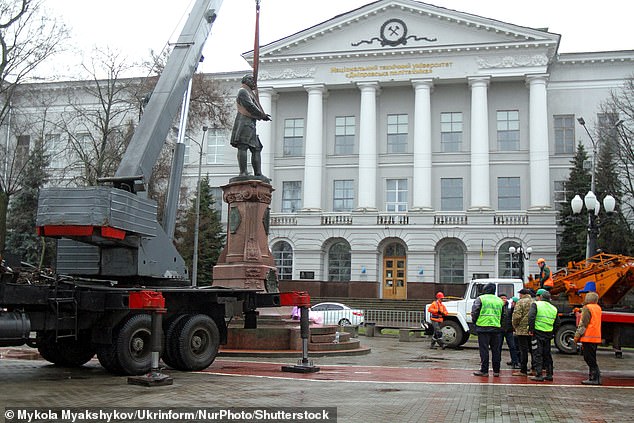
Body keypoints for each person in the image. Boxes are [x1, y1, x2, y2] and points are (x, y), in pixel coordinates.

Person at [230, 74, 271, 178]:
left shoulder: (250, 93)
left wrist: (261, 114)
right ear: (246, 81)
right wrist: (261, 115)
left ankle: (258, 173)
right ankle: (243, 172)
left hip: (251, 123)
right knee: (243, 146)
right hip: (244, 122)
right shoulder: (243, 91)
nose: (254, 83)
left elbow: (254, 105)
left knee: (257, 148)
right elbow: (249, 106)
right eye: (252, 80)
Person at [471, 283, 504, 377]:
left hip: (483, 327)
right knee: (496, 350)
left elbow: (475, 311)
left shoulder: (480, 299)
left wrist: (475, 322)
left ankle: (484, 370)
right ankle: (496, 371)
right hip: (496, 327)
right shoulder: (499, 301)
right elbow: (503, 315)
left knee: (484, 350)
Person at [528, 289, 560, 381]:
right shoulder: (554, 308)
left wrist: (531, 329)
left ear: (541, 297)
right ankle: (549, 374)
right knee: (547, 354)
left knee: (537, 353)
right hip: (548, 333)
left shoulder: (536, 304)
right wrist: (553, 333)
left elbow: (531, 317)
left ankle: (539, 374)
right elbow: (557, 323)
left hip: (537, 332)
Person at [574, 291, 602, 385]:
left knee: (588, 358)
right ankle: (595, 377)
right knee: (592, 358)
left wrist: (577, 336)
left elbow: (583, 324)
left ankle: (594, 378)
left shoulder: (587, 308)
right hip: (595, 337)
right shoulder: (597, 308)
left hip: (588, 337)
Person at [512, 288, 534, 376]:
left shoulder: (520, 302)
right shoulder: (534, 302)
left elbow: (517, 316)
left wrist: (515, 326)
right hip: (532, 330)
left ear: (522, 294)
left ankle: (523, 370)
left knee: (523, 350)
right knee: (533, 350)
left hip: (522, 330)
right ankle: (534, 369)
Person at [499, 294, 520, 369]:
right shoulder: (498, 306)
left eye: (505, 298)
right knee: (498, 347)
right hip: (500, 330)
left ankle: (515, 362)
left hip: (509, 330)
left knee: (512, 346)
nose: (504, 300)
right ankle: (497, 362)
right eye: (502, 298)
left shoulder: (510, 306)